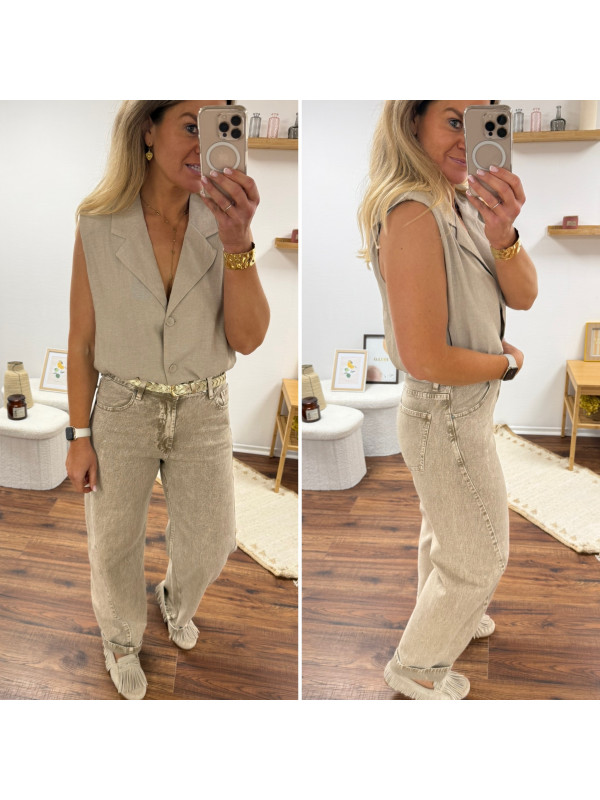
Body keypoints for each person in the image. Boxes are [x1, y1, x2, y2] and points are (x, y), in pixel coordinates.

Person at [66, 101, 269, 699]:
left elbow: (248, 337)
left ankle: (175, 599)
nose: (206, 143)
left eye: (220, 127)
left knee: (213, 539)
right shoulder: (98, 222)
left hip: (204, 408)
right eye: (190, 125)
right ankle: (121, 640)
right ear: (148, 131)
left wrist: (238, 240)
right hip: (122, 409)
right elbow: (81, 341)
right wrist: (79, 436)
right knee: (113, 544)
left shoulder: (224, 222)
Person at [358, 101, 537, 700]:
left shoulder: (461, 202)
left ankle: (453, 613)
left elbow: (525, 295)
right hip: (446, 408)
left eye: (481, 123)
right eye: (453, 121)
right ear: (414, 123)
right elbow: (425, 358)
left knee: (447, 528)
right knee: (482, 553)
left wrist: (504, 232)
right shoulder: (413, 211)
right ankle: (417, 667)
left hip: (457, 410)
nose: (468, 139)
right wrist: (504, 363)